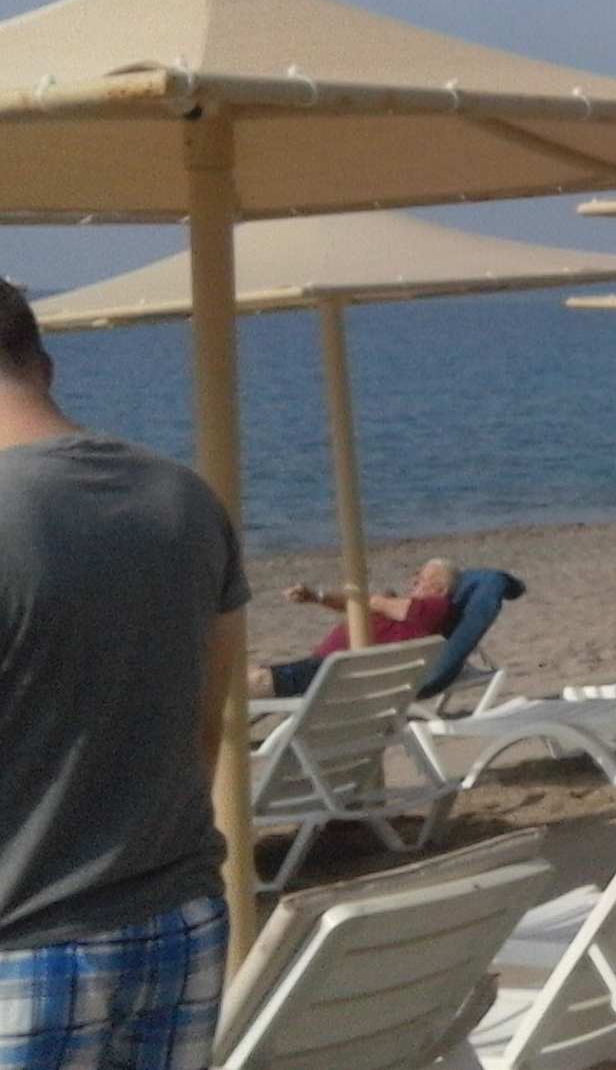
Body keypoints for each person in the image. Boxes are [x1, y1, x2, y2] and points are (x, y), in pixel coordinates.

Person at [0, 279, 243, 1069]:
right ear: (46, 367)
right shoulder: (184, 497)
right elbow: (207, 723)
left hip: (24, 940)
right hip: (178, 922)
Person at [246, 558, 459, 698]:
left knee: (255, 681)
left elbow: (369, 602)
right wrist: (316, 596)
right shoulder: (409, 613)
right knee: (251, 674)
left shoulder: (437, 606)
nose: (413, 580)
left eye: (421, 577)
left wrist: (378, 600)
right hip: (330, 668)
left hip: (341, 676)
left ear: (441, 588)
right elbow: (358, 606)